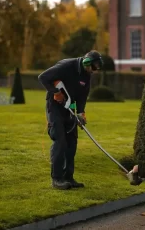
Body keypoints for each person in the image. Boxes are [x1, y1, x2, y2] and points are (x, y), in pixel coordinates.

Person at [38, 50, 103, 190]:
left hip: (70, 108)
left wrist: (81, 113)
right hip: (55, 107)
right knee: (60, 141)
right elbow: (42, 77)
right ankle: (57, 179)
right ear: (87, 62)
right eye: (92, 68)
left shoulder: (87, 75)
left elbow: (82, 96)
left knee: (72, 142)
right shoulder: (66, 66)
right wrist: (56, 92)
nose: (92, 72)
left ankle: (69, 177)